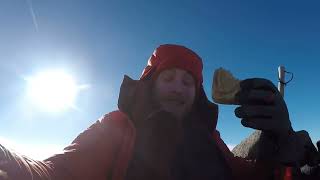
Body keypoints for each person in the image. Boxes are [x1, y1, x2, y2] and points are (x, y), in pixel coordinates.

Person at [0, 44, 318, 180]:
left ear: (197, 94)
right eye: (168, 78)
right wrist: (11, 163)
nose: (178, 88)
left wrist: (280, 141)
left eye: (187, 82)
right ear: (150, 84)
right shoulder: (117, 127)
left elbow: (247, 175)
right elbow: (60, 171)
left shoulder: (210, 138)